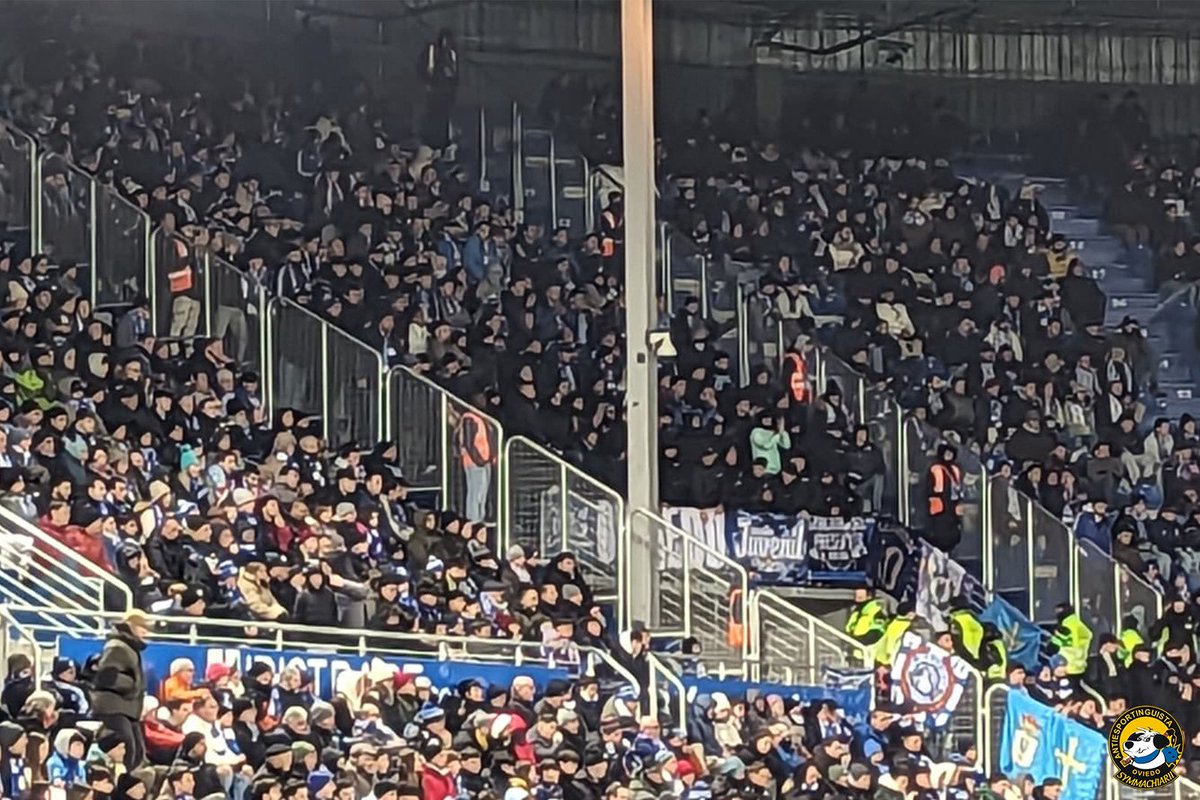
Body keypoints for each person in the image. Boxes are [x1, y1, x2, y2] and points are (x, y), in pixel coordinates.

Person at [90, 611, 150, 770]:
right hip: (113, 709)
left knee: (136, 754)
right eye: (142, 626)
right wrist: (131, 684)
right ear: (131, 626)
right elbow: (106, 677)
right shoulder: (117, 646)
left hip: (127, 709)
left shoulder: (129, 647)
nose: (146, 631)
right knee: (127, 753)